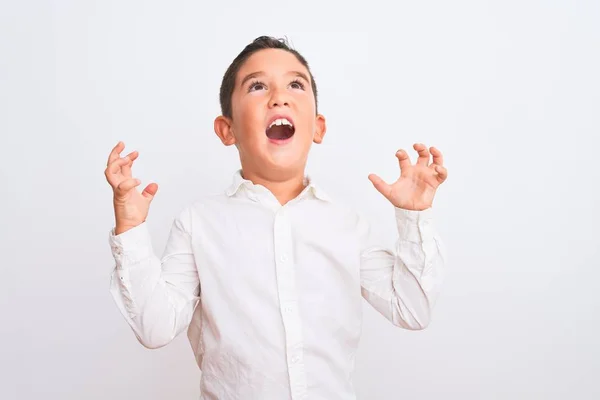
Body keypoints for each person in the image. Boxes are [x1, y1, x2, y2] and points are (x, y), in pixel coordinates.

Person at [104, 36, 448, 400]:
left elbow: (412, 309)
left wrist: (414, 216)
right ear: (227, 129)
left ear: (317, 127)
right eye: (257, 86)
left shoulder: (347, 225)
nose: (280, 97)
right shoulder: (198, 223)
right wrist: (130, 228)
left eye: (295, 84)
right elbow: (154, 327)